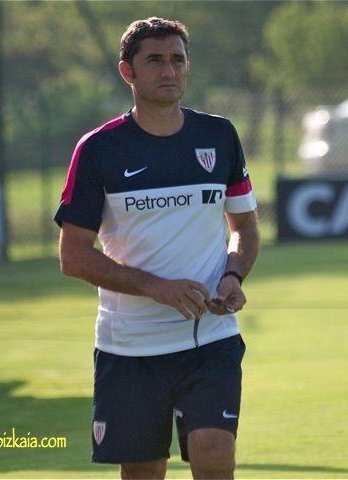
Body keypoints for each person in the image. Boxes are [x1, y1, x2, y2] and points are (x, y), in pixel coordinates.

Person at [55, 17, 259, 480]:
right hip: (129, 347)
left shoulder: (219, 135)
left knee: (214, 452)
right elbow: (74, 255)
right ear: (128, 72)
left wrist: (233, 275)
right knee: (145, 470)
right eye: (155, 61)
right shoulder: (98, 149)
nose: (169, 71)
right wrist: (156, 287)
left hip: (211, 338)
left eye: (177, 60)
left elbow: (244, 227)